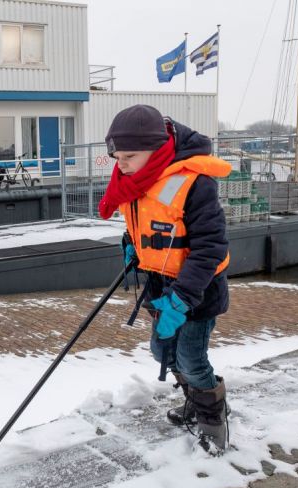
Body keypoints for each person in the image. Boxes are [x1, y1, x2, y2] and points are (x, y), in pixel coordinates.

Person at [98, 105, 231, 454]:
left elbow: (210, 248)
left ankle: (213, 420)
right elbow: (144, 223)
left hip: (196, 288)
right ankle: (195, 399)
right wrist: (132, 245)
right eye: (116, 155)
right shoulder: (137, 178)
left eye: (129, 155)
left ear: (157, 150)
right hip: (159, 283)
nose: (120, 163)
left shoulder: (195, 183)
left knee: (190, 357)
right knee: (161, 350)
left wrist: (183, 298)